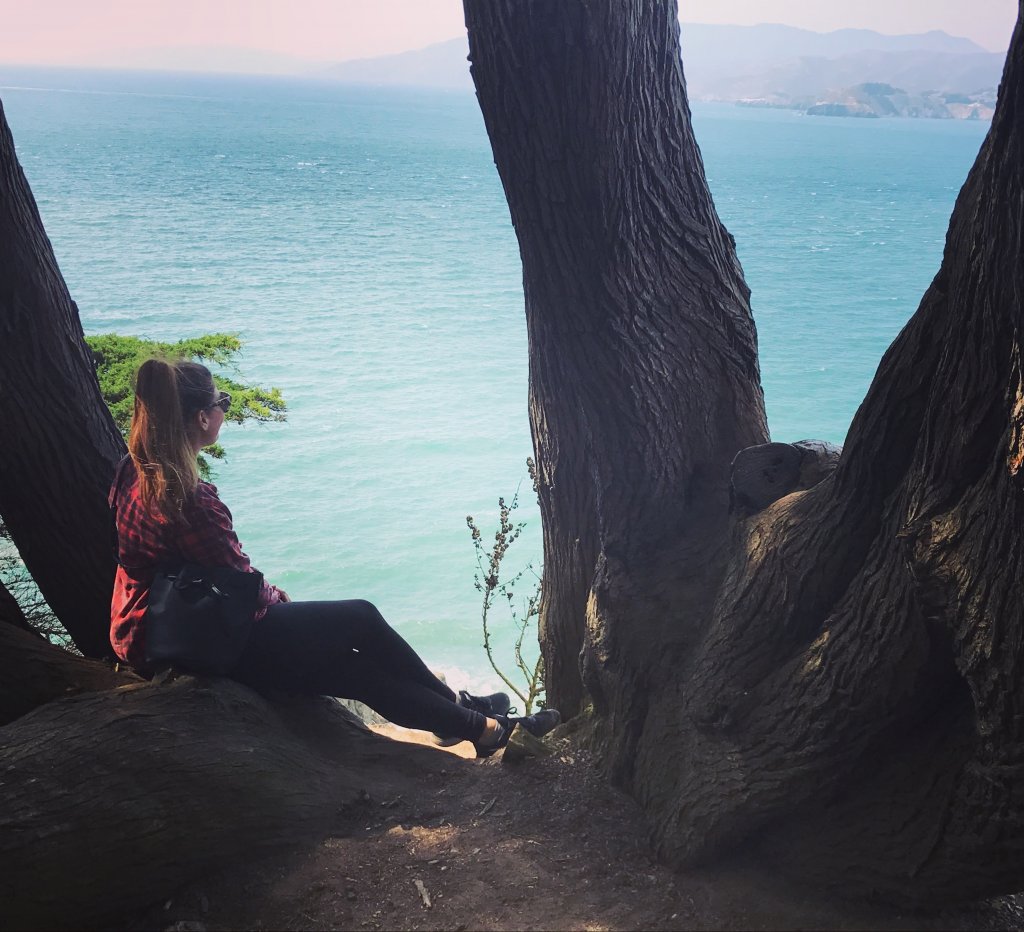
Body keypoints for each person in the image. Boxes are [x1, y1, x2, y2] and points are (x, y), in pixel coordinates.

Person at [109, 358, 559, 757]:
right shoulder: (190, 499)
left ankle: (481, 730)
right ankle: (467, 712)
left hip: (145, 630)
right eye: (221, 402)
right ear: (203, 417)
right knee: (360, 618)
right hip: (195, 638)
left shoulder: (133, 469)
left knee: (353, 669)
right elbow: (240, 581)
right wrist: (278, 597)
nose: (224, 410)